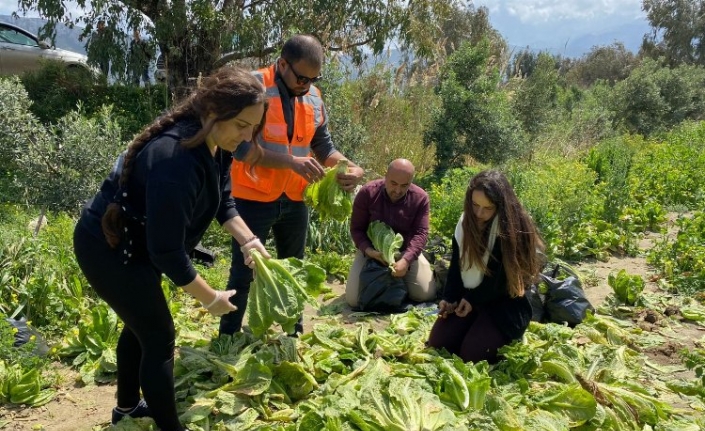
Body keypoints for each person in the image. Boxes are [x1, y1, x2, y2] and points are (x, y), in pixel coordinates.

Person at [73, 66, 270, 431]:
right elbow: (166, 251)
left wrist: (249, 239)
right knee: (159, 336)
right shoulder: (175, 159)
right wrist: (209, 298)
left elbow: (223, 202)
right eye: (243, 125)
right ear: (213, 112)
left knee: (140, 326)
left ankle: (127, 409)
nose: (247, 136)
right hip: (108, 246)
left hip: (139, 243)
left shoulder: (216, 143)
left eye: (253, 127)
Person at [219, 34, 365, 336]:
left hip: (295, 198)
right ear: (283, 63)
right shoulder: (253, 86)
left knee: (295, 268)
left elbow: (324, 147)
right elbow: (240, 149)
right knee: (243, 272)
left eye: (314, 79)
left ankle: (293, 333)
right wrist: (290, 162)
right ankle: (228, 337)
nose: (307, 85)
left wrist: (350, 166)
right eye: (301, 78)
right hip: (252, 197)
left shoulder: (313, 97)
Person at [427, 170, 544, 364]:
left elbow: (500, 281)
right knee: (438, 343)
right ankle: (474, 325)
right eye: (475, 205)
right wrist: (450, 298)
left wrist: (471, 300)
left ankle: (503, 335)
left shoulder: (512, 231)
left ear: (501, 206)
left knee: (472, 355)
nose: (480, 214)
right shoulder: (465, 223)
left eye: (487, 208)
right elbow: (456, 266)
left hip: (504, 302)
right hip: (473, 296)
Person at [346, 158, 436, 307]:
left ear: (411, 182)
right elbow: (356, 229)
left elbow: (421, 233)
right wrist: (369, 251)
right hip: (373, 253)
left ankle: (398, 286)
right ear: (385, 176)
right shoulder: (368, 193)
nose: (398, 190)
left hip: (405, 252)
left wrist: (406, 260)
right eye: (393, 183)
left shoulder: (420, 198)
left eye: (404, 185)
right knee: (353, 301)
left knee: (425, 294)